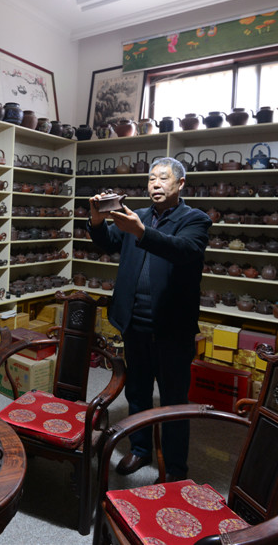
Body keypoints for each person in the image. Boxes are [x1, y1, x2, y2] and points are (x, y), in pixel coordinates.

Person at [87, 156, 210, 482]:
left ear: (180, 184)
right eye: (151, 179)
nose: (155, 184)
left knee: (173, 400)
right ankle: (140, 449)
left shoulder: (195, 219)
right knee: (137, 392)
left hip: (171, 328)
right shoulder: (136, 216)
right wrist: (97, 221)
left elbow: (183, 250)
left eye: (163, 178)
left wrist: (141, 232)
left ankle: (175, 469)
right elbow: (108, 243)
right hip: (135, 324)